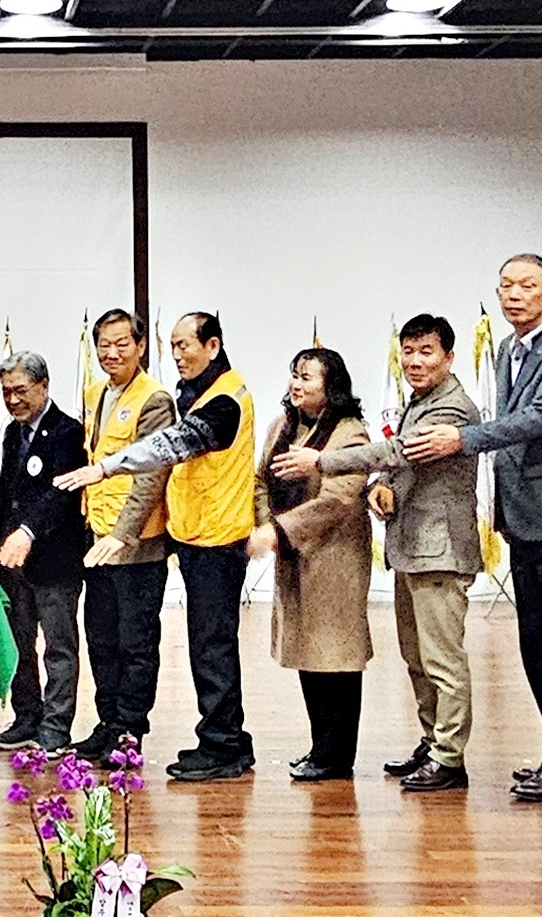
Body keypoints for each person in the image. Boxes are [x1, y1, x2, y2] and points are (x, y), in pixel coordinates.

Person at [408, 253, 542, 802]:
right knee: (536, 643)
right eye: (506, 286)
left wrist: (463, 439)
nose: (514, 295)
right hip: (523, 516)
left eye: (527, 285)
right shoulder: (506, 348)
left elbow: (539, 418)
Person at [283, 313, 482, 792]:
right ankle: (432, 743)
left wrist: (322, 460)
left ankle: (449, 758)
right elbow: (398, 467)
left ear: (449, 357)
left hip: (441, 551)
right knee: (417, 659)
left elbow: (397, 452)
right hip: (410, 548)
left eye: (426, 351)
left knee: (443, 662)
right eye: (408, 351)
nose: (415, 361)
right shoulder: (419, 401)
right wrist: (381, 485)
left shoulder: (452, 408)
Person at [60, 310, 258, 783]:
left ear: (213, 346)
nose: (178, 355)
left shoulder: (223, 399)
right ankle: (203, 737)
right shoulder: (195, 393)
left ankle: (221, 743)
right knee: (129, 640)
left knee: (205, 646)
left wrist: (108, 469)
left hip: (213, 538)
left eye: (184, 345)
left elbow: (169, 449)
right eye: (174, 346)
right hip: (189, 534)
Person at [248, 345, 372, 781]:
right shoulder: (282, 425)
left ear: (331, 386)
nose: (296, 384)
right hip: (293, 554)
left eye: (307, 377)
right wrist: (268, 524)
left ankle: (336, 756)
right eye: (294, 375)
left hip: (335, 558)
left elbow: (338, 499)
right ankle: (320, 748)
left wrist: (279, 531)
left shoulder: (350, 434)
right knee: (307, 653)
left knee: (335, 656)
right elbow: (260, 480)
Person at [62, 309, 175, 767]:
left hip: (137, 544)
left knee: (136, 643)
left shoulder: (155, 399)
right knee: (101, 639)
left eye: (121, 343)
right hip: (97, 537)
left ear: (140, 346)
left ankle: (129, 732)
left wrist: (124, 535)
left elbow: (152, 473)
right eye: (103, 345)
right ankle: (107, 723)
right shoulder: (96, 392)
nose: (111, 353)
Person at [0, 349, 89, 754]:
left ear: (43, 386)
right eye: (6, 392)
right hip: (12, 560)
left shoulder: (67, 432)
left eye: (21, 390)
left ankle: (56, 726)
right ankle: (26, 716)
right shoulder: (13, 433)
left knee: (58, 646)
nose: (13, 400)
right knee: (18, 642)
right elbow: (7, 491)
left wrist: (27, 531)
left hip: (55, 559)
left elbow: (59, 494)